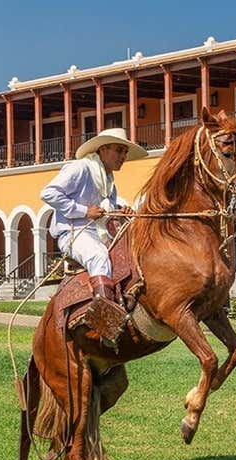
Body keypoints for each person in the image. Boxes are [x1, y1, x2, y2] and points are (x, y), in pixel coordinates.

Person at [40, 128, 147, 343]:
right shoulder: (80, 168)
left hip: (97, 231)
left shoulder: (108, 179)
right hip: (73, 233)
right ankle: (104, 324)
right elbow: (48, 193)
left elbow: (108, 205)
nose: (123, 157)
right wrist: (84, 211)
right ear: (103, 149)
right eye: (119, 151)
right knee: (98, 256)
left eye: (125, 152)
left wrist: (121, 209)